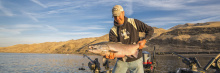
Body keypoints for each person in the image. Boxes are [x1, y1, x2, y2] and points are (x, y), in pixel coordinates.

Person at [107, 5, 154, 73]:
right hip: (121, 61)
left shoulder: (134, 22)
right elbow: (113, 49)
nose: (117, 18)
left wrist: (144, 40)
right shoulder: (112, 31)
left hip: (137, 59)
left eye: (118, 15)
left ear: (123, 13)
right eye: (115, 16)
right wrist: (111, 56)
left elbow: (150, 30)